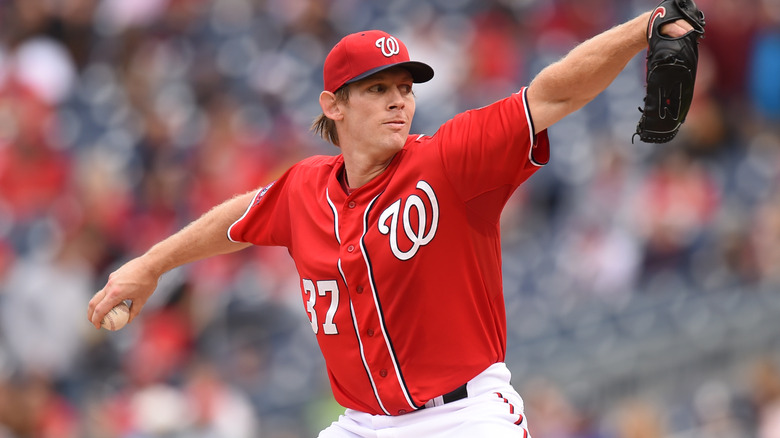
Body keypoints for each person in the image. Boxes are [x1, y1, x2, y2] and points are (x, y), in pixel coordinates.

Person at [88, 8, 695, 437]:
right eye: (377, 89)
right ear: (334, 106)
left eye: (404, 87)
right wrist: (148, 266)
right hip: (363, 425)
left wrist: (642, 29)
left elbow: (551, 96)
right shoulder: (304, 188)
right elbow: (238, 217)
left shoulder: (449, 161)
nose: (399, 100)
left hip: (466, 417)